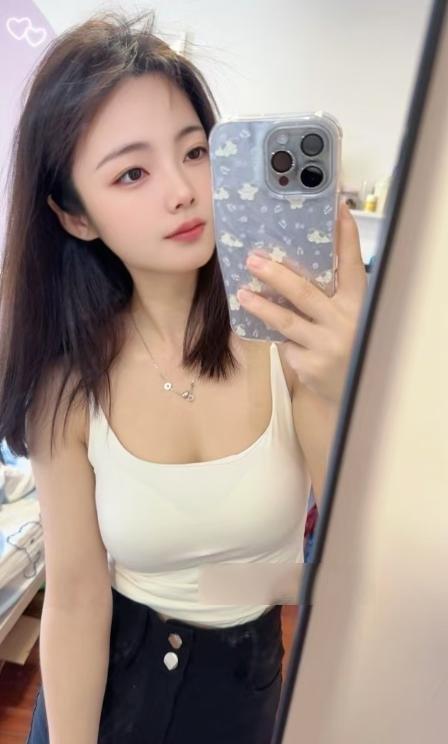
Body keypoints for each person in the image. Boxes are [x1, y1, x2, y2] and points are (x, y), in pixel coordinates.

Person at [0, 11, 366, 744]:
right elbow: (75, 596)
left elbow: (356, 558)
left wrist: (343, 386)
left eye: (196, 151)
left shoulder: (290, 343)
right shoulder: (68, 381)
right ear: (75, 216)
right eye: (132, 172)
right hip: (107, 681)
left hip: (243, 685)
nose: (182, 190)